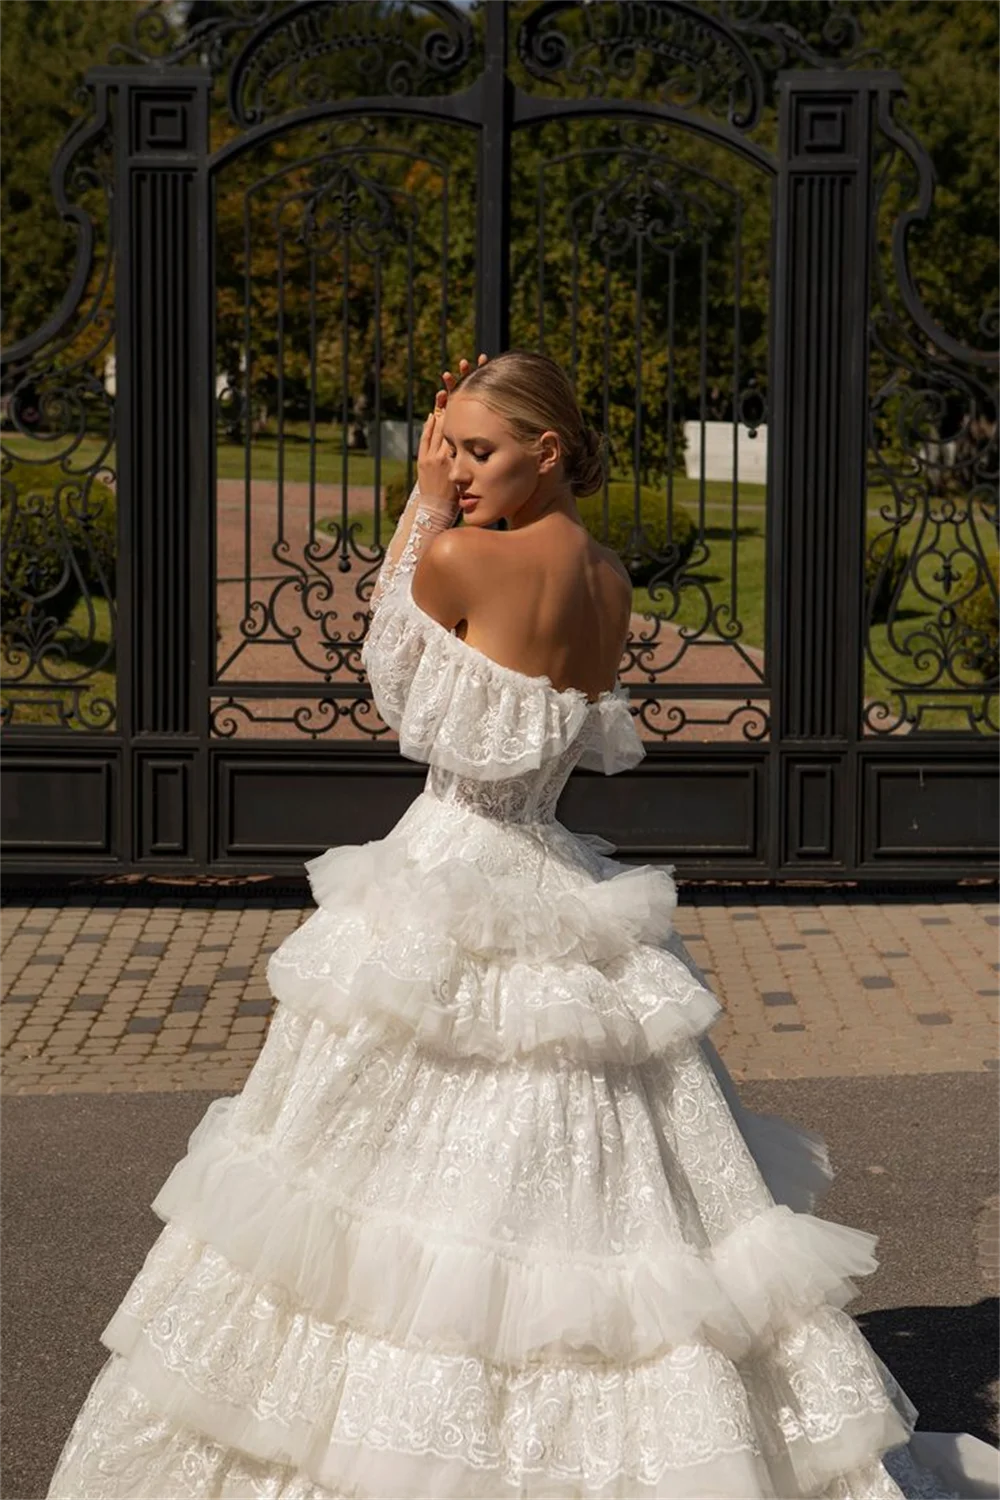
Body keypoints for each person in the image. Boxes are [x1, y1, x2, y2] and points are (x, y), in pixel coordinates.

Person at [45, 351, 975, 1498]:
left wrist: (422, 501)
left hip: (446, 862)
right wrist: (451, 482)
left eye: (478, 450)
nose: (459, 471)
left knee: (362, 1174)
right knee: (611, 1175)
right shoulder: (605, 574)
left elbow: (396, 692)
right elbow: (567, 732)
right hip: (553, 869)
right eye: (454, 450)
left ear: (548, 449)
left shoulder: (453, 555)